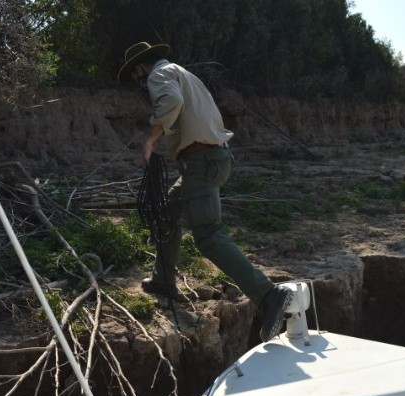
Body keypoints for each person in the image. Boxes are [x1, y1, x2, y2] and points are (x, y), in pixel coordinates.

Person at [118, 42, 292, 342]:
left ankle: (268, 296)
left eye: (136, 77)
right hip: (209, 160)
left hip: (202, 161)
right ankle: (163, 281)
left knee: (209, 235)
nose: (138, 84)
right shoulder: (183, 73)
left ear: (140, 68)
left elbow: (169, 102)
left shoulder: (160, 74)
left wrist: (150, 140)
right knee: (166, 212)